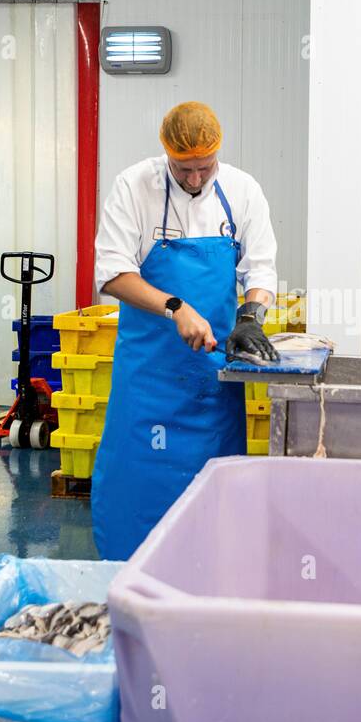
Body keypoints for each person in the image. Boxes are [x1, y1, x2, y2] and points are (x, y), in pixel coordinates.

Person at [90, 101, 279, 559]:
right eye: (184, 169)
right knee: (138, 500)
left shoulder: (242, 191)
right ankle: (129, 589)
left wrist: (249, 317)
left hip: (210, 385)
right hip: (148, 380)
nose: (195, 179)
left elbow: (262, 271)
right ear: (166, 155)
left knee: (210, 508)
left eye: (204, 168)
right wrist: (175, 307)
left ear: (218, 155)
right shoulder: (134, 186)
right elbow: (113, 273)